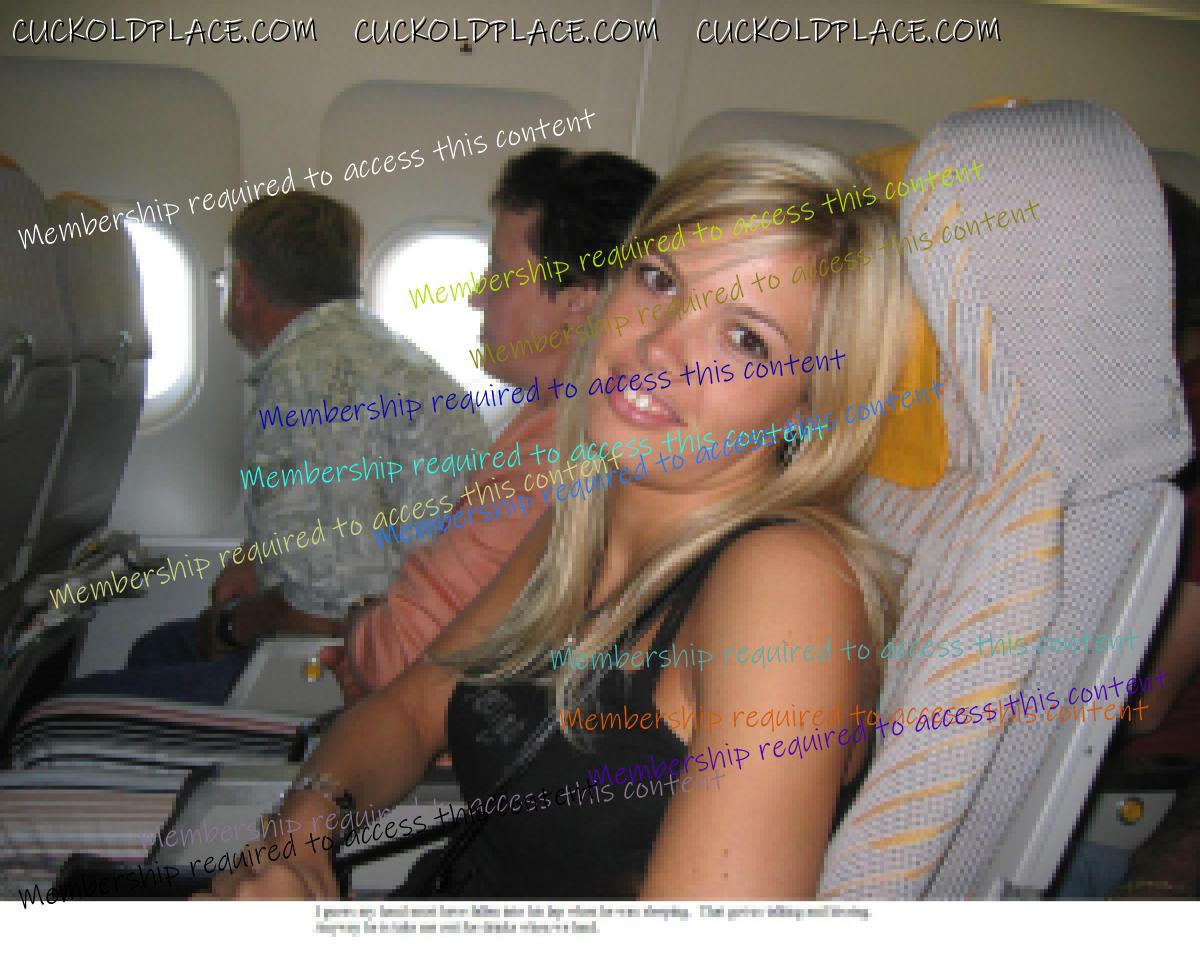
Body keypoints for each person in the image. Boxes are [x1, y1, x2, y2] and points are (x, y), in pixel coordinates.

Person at [200, 142, 912, 900]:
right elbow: (412, 708)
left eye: (745, 338)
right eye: (659, 279)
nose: (658, 345)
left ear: (812, 404)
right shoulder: (585, 515)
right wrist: (302, 833)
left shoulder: (789, 584)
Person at [60, 191, 487, 704]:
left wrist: (231, 627)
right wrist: (256, 557)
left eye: (224, 279)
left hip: (366, 667)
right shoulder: (377, 350)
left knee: (68, 710)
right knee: (156, 649)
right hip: (427, 632)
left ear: (243, 284)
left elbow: (326, 610)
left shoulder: (301, 382)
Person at [322, 147, 657, 702]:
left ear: (578, 302)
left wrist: (360, 624)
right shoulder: (552, 411)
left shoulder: (557, 456)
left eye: (500, 274)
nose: (478, 296)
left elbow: (398, 657)